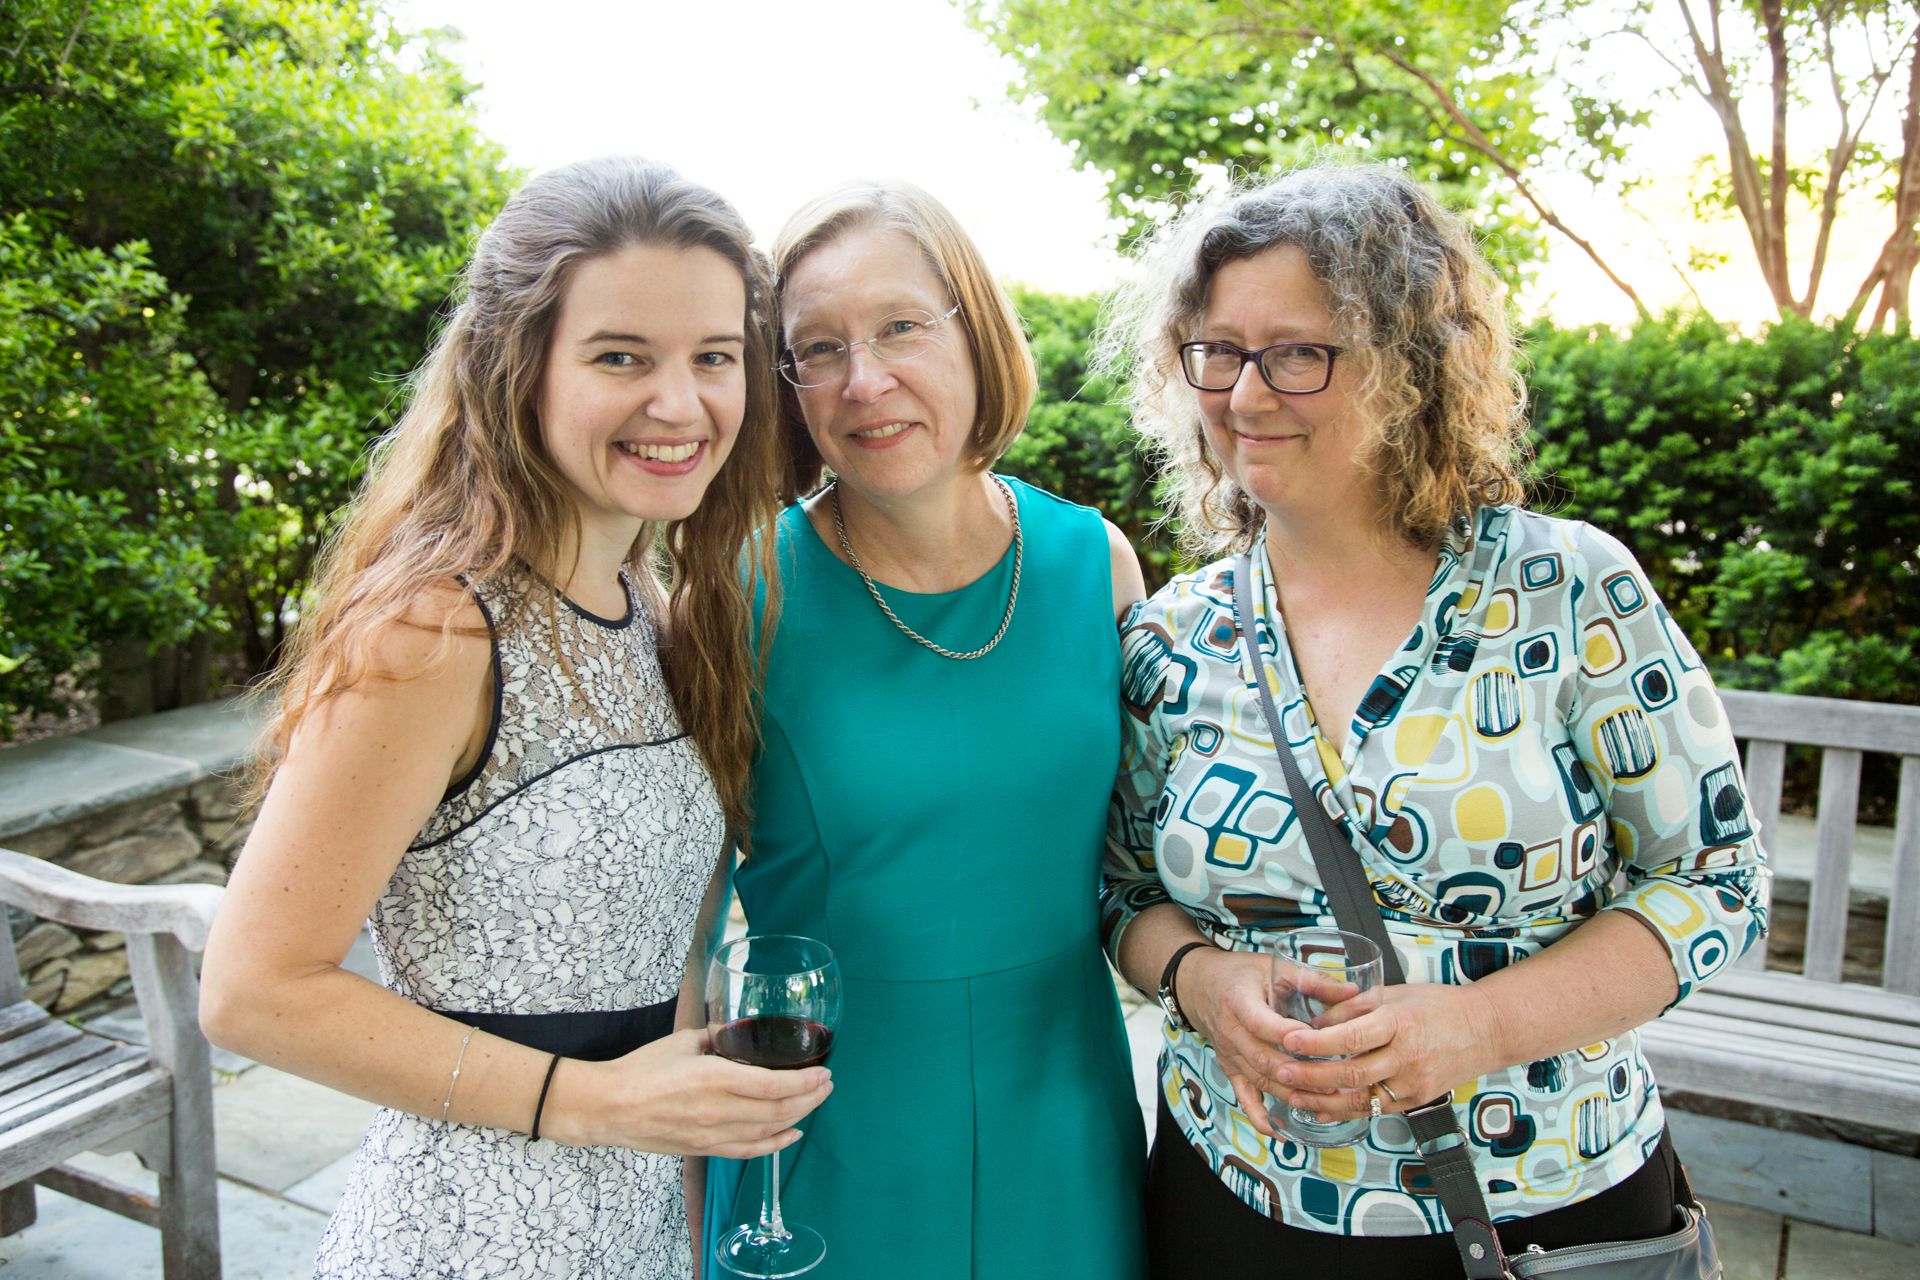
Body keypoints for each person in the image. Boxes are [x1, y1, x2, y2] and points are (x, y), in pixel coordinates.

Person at [1099, 164, 1769, 1276]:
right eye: (1218, 351)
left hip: (1544, 1212)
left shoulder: (1568, 587)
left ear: (1410, 365)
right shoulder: (1174, 636)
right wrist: (1203, 983)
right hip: (1232, 1201)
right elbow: (1123, 891)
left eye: (1300, 352)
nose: (1247, 397)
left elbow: (1714, 879)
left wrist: (1478, 1026)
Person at [198, 156, 832, 1280]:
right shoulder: (433, 632)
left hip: (637, 1230)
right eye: (620, 356)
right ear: (516, 367)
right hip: (466, 1235)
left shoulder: (657, 610)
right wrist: (586, 1102)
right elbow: (253, 990)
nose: (679, 404)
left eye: (715, 357)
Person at [707, 181, 1149, 1279]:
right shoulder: (733, 592)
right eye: (817, 348)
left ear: (975, 331)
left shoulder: (1099, 564)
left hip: (1066, 1125)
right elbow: (679, 925)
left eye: (901, 325)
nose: (866, 380)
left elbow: (1148, 866)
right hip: (821, 1145)